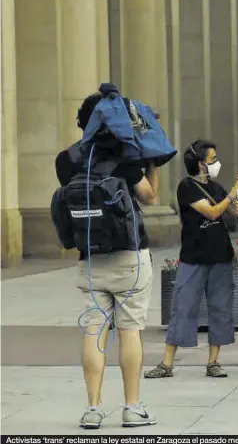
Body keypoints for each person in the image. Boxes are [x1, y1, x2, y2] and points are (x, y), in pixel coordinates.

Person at [55, 91, 159, 428]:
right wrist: (151, 160)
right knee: (130, 330)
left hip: (89, 255)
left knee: (93, 330)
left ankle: (93, 408)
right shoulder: (126, 158)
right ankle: (132, 407)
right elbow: (150, 197)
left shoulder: (66, 159)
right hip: (129, 253)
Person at [144, 139, 238, 380]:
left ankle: (214, 361)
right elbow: (212, 211)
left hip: (221, 256)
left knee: (220, 309)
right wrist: (231, 196)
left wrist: (237, 189)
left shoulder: (217, 187)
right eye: (212, 159)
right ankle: (167, 363)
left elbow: (232, 210)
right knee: (183, 307)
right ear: (201, 164)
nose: (216, 163)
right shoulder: (186, 187)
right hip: (193, 257)